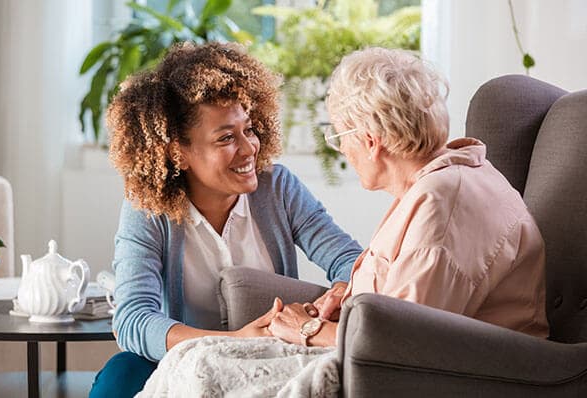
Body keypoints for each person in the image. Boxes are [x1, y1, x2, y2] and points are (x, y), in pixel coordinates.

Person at [88, 42, 362, 398]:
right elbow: (133, 320)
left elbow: (350, 262)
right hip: (182, 360)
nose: (249, 148)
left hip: (269, 357)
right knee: (120, 376)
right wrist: (232, 341)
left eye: (248, 129)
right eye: (226, 138)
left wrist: (338, 294)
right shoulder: (148, 209)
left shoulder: (278, 188)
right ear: (178, 152)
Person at [267, 47, 548, 348]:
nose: (343, 151)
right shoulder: (450, 177)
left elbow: (401, 342)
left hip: (472, 376)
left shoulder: (441, 203)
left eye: (338, 137)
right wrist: (352, 299)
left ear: (370, 141)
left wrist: (309, 330)